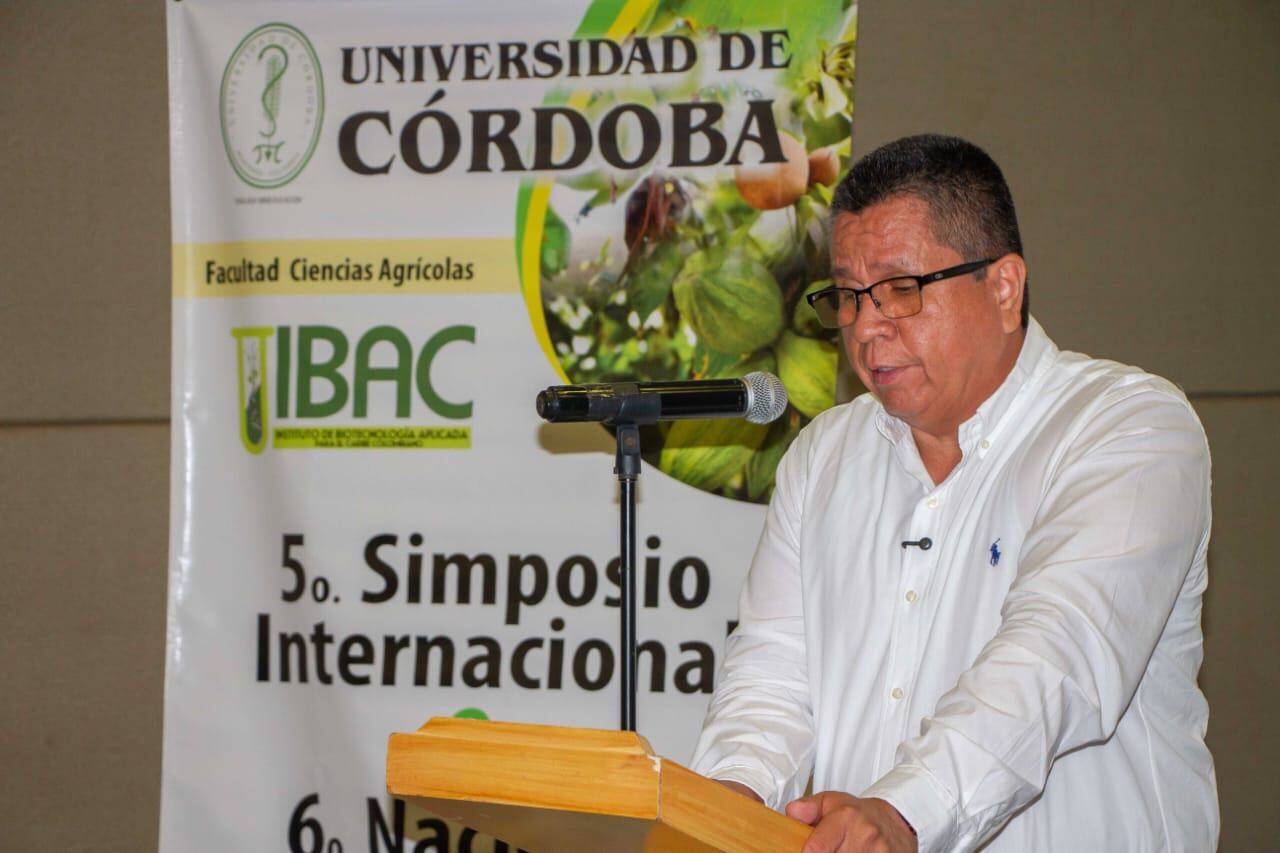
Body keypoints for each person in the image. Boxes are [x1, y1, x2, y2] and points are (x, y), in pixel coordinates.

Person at [690, 134, 1217, 852]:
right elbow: (773, 675)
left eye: (902, 290)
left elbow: (1056, 656)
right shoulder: (824, 457)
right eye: (848, 295)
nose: (868, 327)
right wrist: (725, 801)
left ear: (1004, 288)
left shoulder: (1126, 428)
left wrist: (903, 811)